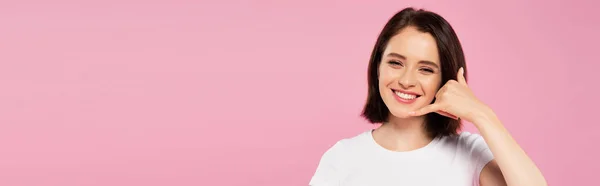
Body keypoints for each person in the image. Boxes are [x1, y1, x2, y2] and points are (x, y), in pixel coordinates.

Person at [308, 7, 547, 186]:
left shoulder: (470, 153)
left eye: (426, 69)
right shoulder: (342, 157)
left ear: (445, 80)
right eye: (396, 63)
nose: (406, 80)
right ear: (377, 67)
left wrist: (482, 114)